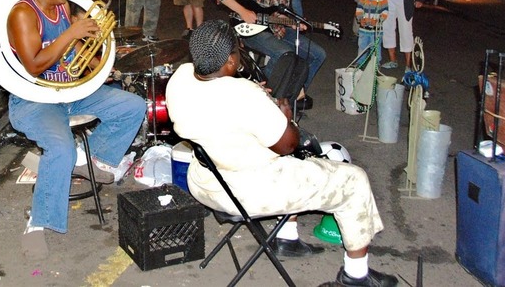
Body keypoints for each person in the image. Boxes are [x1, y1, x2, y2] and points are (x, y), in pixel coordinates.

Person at [166, 20, 397, 287]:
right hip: (245, 191)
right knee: (353, 179)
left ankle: (286, 239)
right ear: (231, 60)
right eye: (238, 53)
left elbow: (218, 106)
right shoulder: (243, 95)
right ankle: (356, 276)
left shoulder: (180, 77)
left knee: (291, 164)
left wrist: (257, 101)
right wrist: (285, 118)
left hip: (206, 180)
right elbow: (287, 144)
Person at [7, 0, 144, 258]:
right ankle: (37, 224)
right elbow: (33, 64)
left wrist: (97, 68)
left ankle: (89, 158)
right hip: (34, 100)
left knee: (133, 106)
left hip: (70, 91)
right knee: (60, 148)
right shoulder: (22, 13)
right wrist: (72, 31)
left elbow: (72, 48)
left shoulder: (62, 6)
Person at [211, 0, 326, 108]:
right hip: (249, 30)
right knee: (285, 54)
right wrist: (242, 11)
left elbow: (280, 11)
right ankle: (264, 95)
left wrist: (293, 23)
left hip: (277, 29)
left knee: (318, 54)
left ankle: (292, 96)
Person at [355, 0, 388, 65]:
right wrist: (360, 19)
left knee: (376, 47)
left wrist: (378, 21)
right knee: (362, 46)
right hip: (364, 29)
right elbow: (359, 9)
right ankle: (360, 63)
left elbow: (385, 11)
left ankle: (375, 64)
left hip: (376, 30)